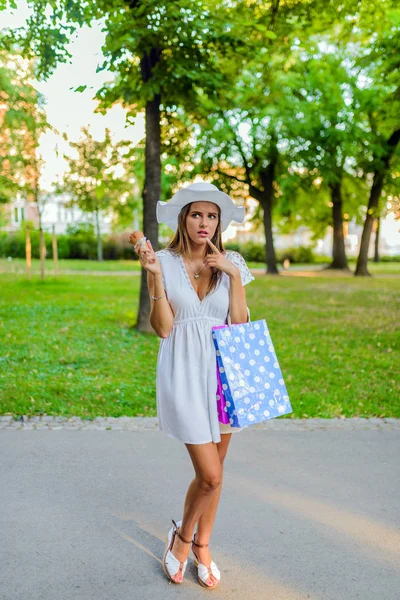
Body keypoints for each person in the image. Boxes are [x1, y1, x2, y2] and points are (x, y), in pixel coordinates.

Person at [138, 181, 255, 589]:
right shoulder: (165, 262)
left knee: (216, 472)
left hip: (222, 377)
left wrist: (233, 278)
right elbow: (164, 329)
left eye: (212, 215)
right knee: (210, 475)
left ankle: (203, 545)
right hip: (184, 373)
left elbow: (239, 325)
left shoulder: (232, 261)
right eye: (196, 214)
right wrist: (154, 279)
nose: (204, 222)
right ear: (182, 219)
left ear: (219, 222)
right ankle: (183, 537)